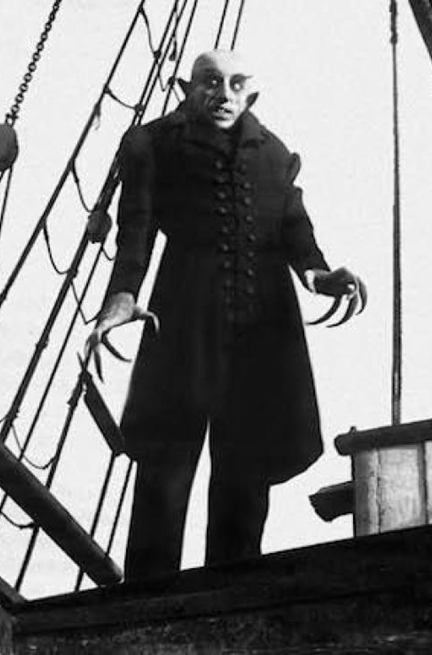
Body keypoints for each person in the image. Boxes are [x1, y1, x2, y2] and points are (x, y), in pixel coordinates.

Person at [85, 49, 366, 581]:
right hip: (181, 321)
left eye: (237, 85)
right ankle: (146, 596)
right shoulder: (152, 145)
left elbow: (294, 229)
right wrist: (121, 298)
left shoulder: (274, 154)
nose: (223, 94)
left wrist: (318, 273)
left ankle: (229, 597)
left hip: (264, 330)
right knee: (165, 470)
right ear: (185, 88)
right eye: (210, 82)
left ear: (251, 96)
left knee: (246, 474)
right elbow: (135, 231)